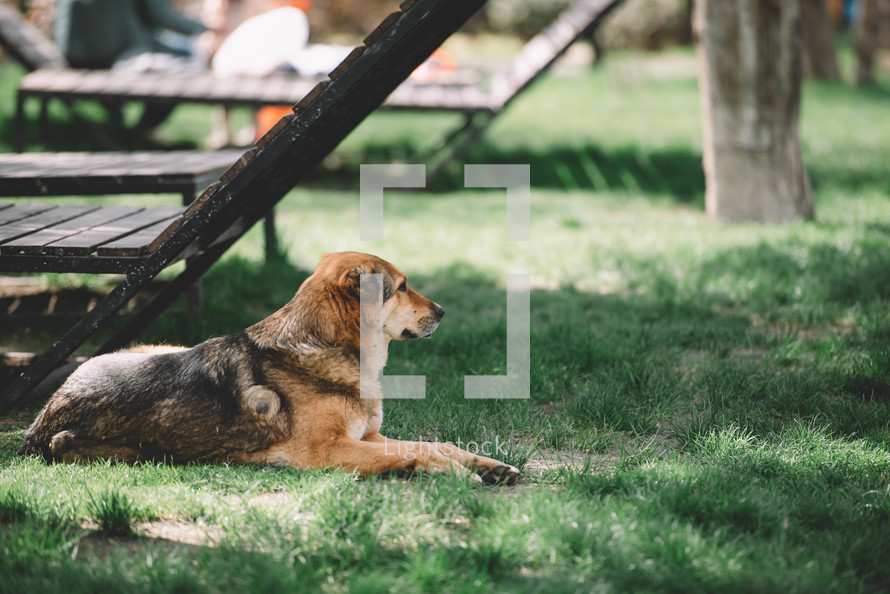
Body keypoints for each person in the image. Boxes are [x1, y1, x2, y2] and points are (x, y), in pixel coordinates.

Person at [54, 0, 215, 129]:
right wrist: (206, 28)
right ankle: (142, 130)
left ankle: (120, 125)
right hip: (113, 57)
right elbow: (163, 16)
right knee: (181, 73)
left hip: (73, 56)